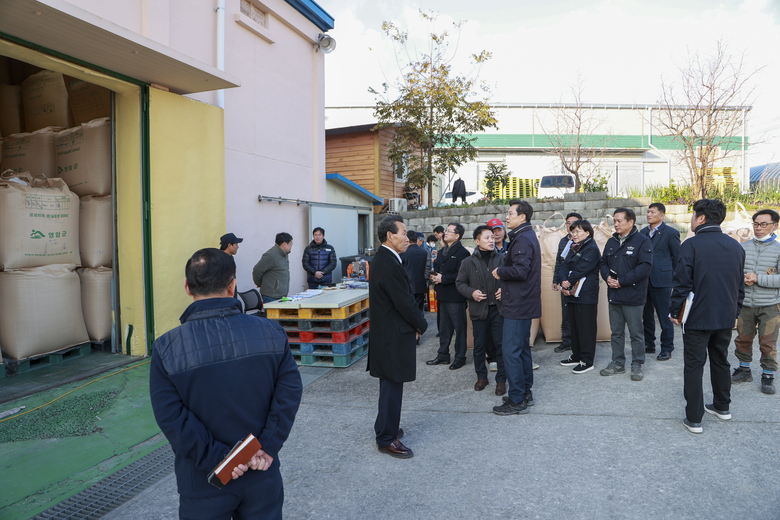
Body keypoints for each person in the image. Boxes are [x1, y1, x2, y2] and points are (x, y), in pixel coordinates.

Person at [150, 248, 302, 518]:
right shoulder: (271, 333)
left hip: (205, 480)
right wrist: (265, 447)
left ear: (187, 287)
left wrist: (221, 459)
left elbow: (172, 417)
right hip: (261, 471)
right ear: (233, 286)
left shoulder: (166, 348)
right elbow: (288, 393)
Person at [670, 199, 745, 434]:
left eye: (693, 215)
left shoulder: (691, 245)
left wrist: (675, 311)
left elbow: (682, 283)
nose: (692, 220)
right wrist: (735, 311)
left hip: (697, 316)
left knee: (694, 365)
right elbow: (739, 286)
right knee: (720, 360)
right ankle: (723, 406)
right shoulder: (736, 246)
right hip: (725, 316)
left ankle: (694, 418)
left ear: (701, 218)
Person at [367, 216, 428, 458]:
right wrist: (421, 325)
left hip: (389, 332)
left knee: (389, 385)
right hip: (392, 335)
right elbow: (405, 302)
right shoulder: (388, 263)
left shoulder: (387, 259)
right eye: (403, 233)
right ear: (389, 236)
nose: (407, 237)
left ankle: (385, 427)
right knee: (392, 386)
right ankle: (386, 438)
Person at [491, 200, 541, 415]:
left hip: (518, 305)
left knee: (511, 351)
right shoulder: (525, 236)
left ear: (523, 217)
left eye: (510, 213)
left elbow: (520, 271)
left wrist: (499, 272)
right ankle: (525, 392)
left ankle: (517, 398)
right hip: (522, 300)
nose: (507, 217)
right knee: (521, 350)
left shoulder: (522, 239)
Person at [599, 208, 653, 381]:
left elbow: (644, 267)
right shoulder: (611, 241)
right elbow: (603, 262)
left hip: (633, 296)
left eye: (619, 221)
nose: (615, 224)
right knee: (616, 332)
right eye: (614, 220)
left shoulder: (642, 242)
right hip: (614, 295)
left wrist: (621, 281)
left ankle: (637, 363)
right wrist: (607, 277)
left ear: (631, 222)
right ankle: (617, 362)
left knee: (636, 333)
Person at [731, 209, 780, 395]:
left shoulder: (778, 249)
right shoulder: (743, 247)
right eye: (756, 224)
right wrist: (741, 278)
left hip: (770, 305)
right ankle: (744, 370)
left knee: (768, 342)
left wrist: (758, 278)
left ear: (775, 225)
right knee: (743, 338)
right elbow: (734, 272)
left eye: (763, 224)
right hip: (746, 304)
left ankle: (768, 376)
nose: (758, 228)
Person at [456, 225, 507, 395]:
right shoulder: (467, 262)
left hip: (498, 310)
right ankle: (481, 377)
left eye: (492, 237)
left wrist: (504, 290)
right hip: (479, 310)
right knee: (479, 346)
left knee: (501, 346)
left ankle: (501, 380)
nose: (491, 240)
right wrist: (472, 292)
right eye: (487, 238)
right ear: (477, 241)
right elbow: (460, 283)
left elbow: (510, 279)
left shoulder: (501, 259)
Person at [426, 222, 471, 369]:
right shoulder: (442, 250)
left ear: (457, 236)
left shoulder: (462, 252)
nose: (446, 233)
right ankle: (443, 355)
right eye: (446, 230)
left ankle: (460, 357)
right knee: (444, 329)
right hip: (442, 295)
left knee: (459, 328)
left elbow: (462, 275)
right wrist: (434, 276)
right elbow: (438, 268)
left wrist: (443, 278)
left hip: (455, 297)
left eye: (449, 231)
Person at [558, 220, 600, 373]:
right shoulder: (573, 247)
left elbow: (582, 269)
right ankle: (576, 355)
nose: (574, 234)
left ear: (587, 233)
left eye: (578, 231)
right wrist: (563, 281)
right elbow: (564, 265)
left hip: (586, 294)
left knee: (586, 327)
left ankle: (587, 360)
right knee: (575, 326)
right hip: (571, 293)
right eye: (573, 231)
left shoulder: (591, 248)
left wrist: (567, 282)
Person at [641, 203, 681, 361]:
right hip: (644, 280)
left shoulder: (671, 233)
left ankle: (667, 347)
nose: (649, 214)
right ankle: (649, 343)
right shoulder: (642, 232)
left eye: (652, 212)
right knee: (646, 314)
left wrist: (674, 279)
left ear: (662, 215)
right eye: (648, 211)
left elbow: (677, 258)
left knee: (665, 316)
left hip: (662, 280)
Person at [552, 212, 583, 354]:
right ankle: (567, 341)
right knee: (566, 313)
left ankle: (580, 342)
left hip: (579, 282)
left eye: (574, 223)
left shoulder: (585, 241)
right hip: (564, 282)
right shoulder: (564, 241)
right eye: (568, 223)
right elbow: (559, 262)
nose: (570, 226)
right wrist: (556, 280)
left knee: (579, 313)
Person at [252, 232, 293, 303]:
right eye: (290, 243)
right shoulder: (271, 255)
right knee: (270, 314)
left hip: (281, 295)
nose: (291, 245)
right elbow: (257, 270)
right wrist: (259, 283)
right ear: (284, 244)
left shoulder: (284, 254)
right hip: (271, 296)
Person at [401, 229, 431, 315]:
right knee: (418, 310)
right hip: (421, 285)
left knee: (408, 311)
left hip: (408, 285)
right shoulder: (424, 252)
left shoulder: (404, 252)